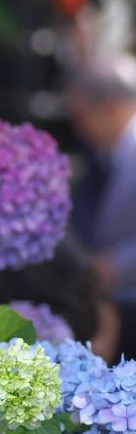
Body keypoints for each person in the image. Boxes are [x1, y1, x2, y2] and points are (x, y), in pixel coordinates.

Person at [67, 55, 136, 355]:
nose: (79, 130)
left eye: (82, 118)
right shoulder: (107, 156)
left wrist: (114, 267)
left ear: (112, 106)